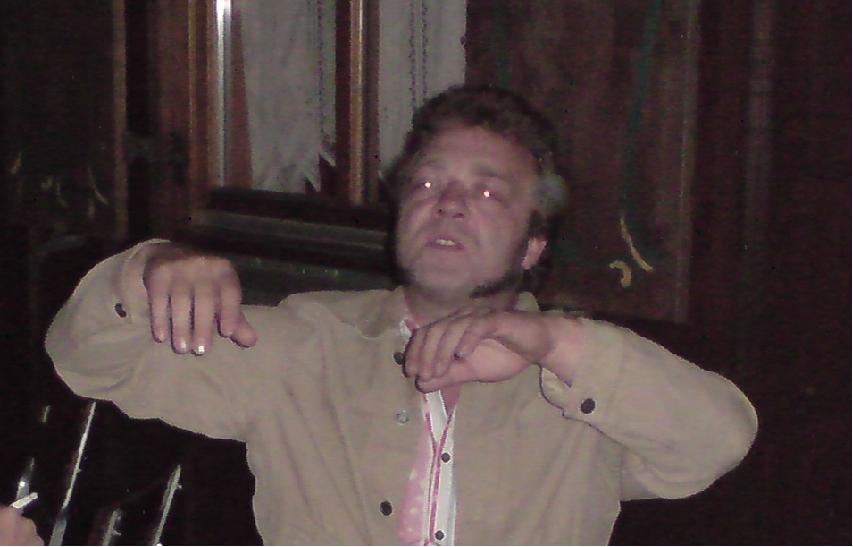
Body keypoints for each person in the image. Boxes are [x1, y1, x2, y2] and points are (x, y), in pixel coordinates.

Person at [46, 85, 757, 544]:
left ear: (533, 243)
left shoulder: (580, 378)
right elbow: (87, 360)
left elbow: (717, 440)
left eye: (487, 193)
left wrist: (553, 342)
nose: (447, 203)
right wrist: (151, 267)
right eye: (426, 183)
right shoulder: (305, 345)